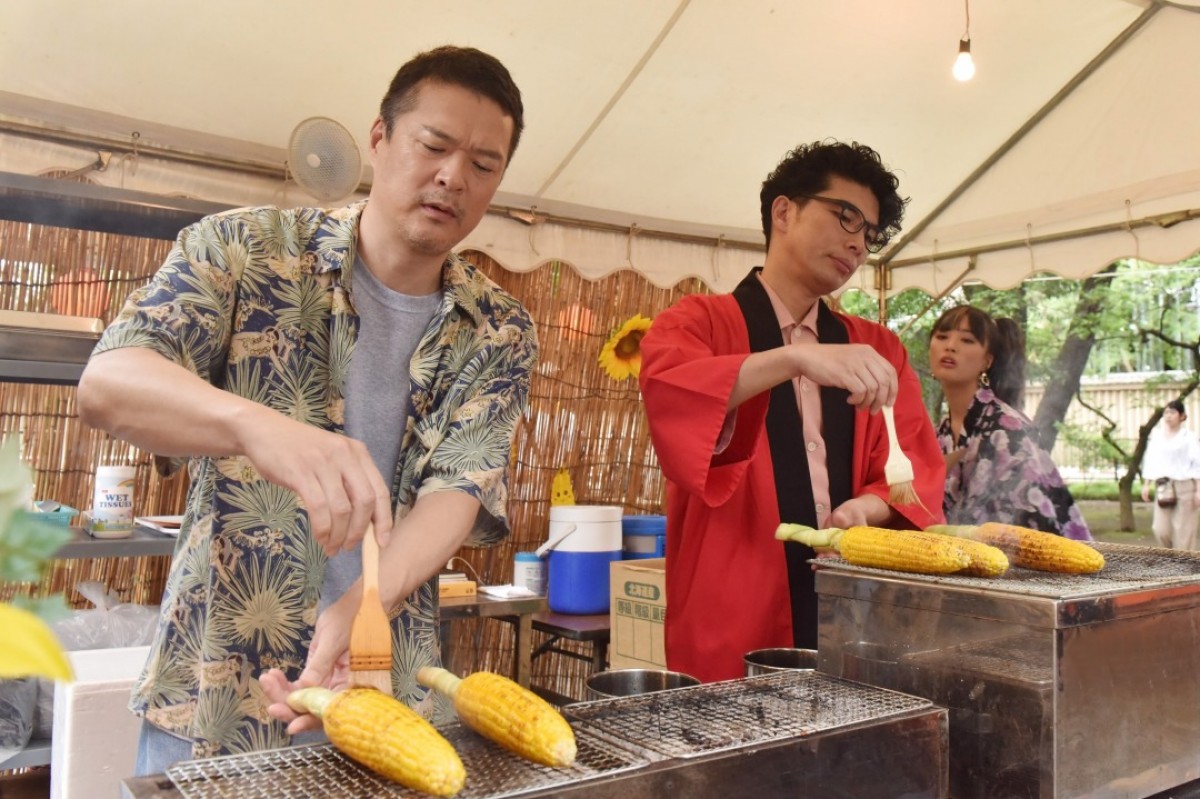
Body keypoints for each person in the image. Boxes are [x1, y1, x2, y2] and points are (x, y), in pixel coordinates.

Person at [76, 46, 537, 772]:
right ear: (380, 141)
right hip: (213, 694)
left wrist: (368, 597)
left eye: (484, 164)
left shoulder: (499, 326)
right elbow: (108, 383)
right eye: (435, 145)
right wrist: (255, 426)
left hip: (389, 694)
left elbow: (461, 484)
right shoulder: (244, 250)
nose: (454, 176)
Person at [638, 140, 945, 683]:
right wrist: (794, 357)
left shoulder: (879, 351)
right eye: (845, 218)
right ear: (784, 211)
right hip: (730, 613)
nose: (856, 244)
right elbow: (673, 396)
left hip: (853, 613)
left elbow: (911, 474)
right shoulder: (697, 325)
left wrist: (863, 514)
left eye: (868, 236)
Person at [928, 305, 1090, 539]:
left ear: (987, 361)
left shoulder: (1007, 429)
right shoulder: (940, 431)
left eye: (967, 340)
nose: (950, 345)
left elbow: (1024, 521)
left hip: (1035, 565)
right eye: (942, 336)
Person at [1140, 400, 1200, 550]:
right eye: (1166, 412)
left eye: (1172, 412)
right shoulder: (1157, 437)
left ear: (1182, 416)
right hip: (1164, 486)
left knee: (1184, 531)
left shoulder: (1189, 437)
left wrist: (1198, 490)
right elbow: (1150, 460)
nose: (1168, 416)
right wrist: (1146, 484)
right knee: (1160, 529)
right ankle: (1172, 557)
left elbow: (1197, 463)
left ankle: (1184, 565)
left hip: (1185, 485)